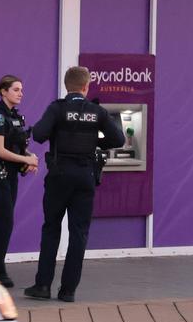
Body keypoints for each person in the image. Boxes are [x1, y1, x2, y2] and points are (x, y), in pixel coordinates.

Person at [24, 66, 124, 302]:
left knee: (51, 229)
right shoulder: (96, 111)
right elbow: (118, 139)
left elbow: (38, 134)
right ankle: (68, 290)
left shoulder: (57, 108)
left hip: (59, 176)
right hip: (85, 177)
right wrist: (97, 143)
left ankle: (43, 286)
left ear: (66, 86)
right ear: (86, 86)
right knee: (78, 233)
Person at [0, 75, 39, 288]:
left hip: (10, 176)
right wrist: (25, 159)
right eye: (16, 89)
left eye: (21, 89)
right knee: (4, 223)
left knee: (4, 223)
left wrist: (28, 158)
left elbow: (16, 148)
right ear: (4, 91)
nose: (20, 93)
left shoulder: (15, 117)